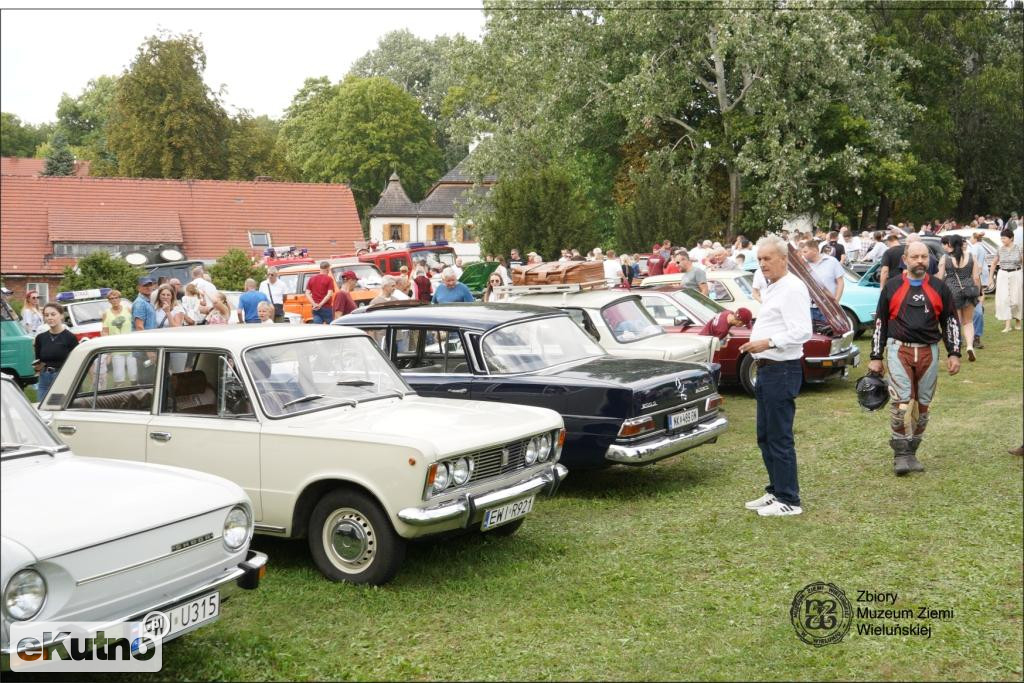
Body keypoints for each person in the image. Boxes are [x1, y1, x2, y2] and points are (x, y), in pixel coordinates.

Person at [868, 241, 961, 476]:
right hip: (900, 350)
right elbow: (881, 322)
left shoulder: (940, 287)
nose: (920, 261)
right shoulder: (892, 286)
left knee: (923, 407)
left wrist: (954, 352)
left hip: (929, 351)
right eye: (915, 257)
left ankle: (912, 451)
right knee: (901, 403)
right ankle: (900, 454)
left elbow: (950, 321)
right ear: (905, 260)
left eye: (924, 257)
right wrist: (876, 356)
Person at [739, 234, 812, 517]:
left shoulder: (793, 287)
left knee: (780, 436)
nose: (762, 264)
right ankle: (775, 490)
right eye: (759, 259)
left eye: (767, 258)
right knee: (765, 435)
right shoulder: (773, 287)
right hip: (767, 369)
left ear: (784, 259)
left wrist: (766, 343)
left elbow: (802, 331)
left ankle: (789, 499)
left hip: (782, 369)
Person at [936, 235, 981, 360]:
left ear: (950, 244)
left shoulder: (945, 258)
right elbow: (976, 277)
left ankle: (956, 347)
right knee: (968, 322)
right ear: (962, 244)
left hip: (951, 291)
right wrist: (978, 292)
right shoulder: (972, 257)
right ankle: (970, 346)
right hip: (969, 290)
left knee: (955, 321)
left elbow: (939, 278)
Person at [33, 302, 78, 402]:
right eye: (46, 315)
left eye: (53, 314)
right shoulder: (40, 338)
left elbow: (76, 362)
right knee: (42, 410)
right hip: (44, 379)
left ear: (61, 315)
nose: (49, 318)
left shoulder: (70, 338)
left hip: (62, 377)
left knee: (57, 408)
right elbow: (38, 360)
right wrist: (37, 369)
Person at [801, 240, 845, 323]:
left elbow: (840, 282)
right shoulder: (803, 265)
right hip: (807, 308)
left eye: (805, 252)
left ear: (814, 251)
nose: (803, 254)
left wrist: (836, 302)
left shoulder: (832, 261)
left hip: (827, 307)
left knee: (828, 333)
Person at [100, 289, 137, 386]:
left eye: (116, 297)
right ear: (109, 301)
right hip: (116, 349)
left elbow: (136, 326)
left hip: (131, 348)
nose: (114, 300)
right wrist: (108, 352)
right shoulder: (106, 313)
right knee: (119, 379)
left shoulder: (128, 310)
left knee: (134, 376)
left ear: (120, 299)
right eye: (111, 298)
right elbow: (105, 332)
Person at [989, 228, 1023, 332]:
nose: (1002, 240)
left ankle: (1018, 321)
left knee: (1016, 299)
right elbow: (994, 263)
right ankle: (1007, 325)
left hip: (1016, 273)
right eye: (1001, 238)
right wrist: (990, 278)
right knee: (1004, 300)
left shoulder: (1019, 248)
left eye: (1004, 238)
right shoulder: (999, 249)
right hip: (1003, 274)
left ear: (1011, 238)